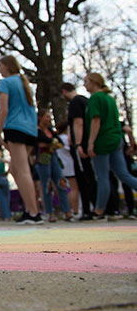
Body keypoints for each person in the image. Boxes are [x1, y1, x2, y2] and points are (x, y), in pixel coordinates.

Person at [0, 55, 43, 224]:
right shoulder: (25, 84)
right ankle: (31, 210)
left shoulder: (6, 83)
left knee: (22, 170)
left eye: (0, 65)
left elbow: (4, 109)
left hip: (15, 128)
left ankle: (33, 212)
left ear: (7, 66)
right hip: (30, 130)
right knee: (16, 170)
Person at [83, 73, 137, 220]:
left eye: (86, 81)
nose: (84, 85)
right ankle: (100, 209)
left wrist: (91, 143)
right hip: (116, 139)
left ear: (94, 82)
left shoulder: (95, 98)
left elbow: (96, 120)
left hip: (103, 142)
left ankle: (99, 210)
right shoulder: (110, 99)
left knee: (102, 177)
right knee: (124, 175)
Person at [61, 82, 98, 221]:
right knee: (91, 175)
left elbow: (78, 122)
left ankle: (90, 210)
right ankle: (97, 209)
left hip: (81, 145)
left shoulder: (75, 102)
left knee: (84, 177)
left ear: (64, 91)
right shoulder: (85, 100)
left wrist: (77, 143)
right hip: (88, 143)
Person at [35, 110, 72, 222]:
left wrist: (50, 142)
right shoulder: (37, 131)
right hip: (43, 157)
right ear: (41, 118)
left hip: (54, 156)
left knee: (61, 182)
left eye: (49, 117)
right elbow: (40, 141)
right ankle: (50, 212)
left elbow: (59, 142)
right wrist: (52, 142)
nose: (49, 119)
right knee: (47, 185)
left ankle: (67, 211)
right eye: (46, 117)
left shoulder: (51, 130)